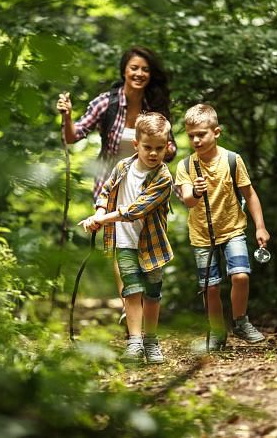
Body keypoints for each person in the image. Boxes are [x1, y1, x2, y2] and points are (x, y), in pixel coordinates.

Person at [57, 46, 176, 320]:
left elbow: (169, 147)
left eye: (145, 69)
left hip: (148, 183)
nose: (140, 73)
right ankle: (129, 304)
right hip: (112, 182)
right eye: (134, 67)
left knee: (145, 236)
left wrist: (164, 150)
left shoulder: (154, 105)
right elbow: (74, 136)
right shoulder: (105, 103)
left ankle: (143, 295)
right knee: (120, 241)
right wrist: (66, 117)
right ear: (124, 69)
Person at [78, 112, 173, 364]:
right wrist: (98, 212)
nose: (153, 153)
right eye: (148, 147)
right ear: (136, 145)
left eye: (159, 148)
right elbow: (106, 190)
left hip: (152, 245)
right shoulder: (123, 167)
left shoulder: (163, 178)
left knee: (152, 294)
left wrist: (102, 219)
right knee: (131, 291)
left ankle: (151, 341)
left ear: (167, 147)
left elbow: (135, 210)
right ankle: (134, 342)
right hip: (124, 242)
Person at [174, 104, 270, 351]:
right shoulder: (186, 166)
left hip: (233, 229)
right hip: (201, 233)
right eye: (191, 135)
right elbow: (187, 200)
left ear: (216, 132)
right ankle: (217, 331)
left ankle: (240, 321)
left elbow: (249, 195)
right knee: (210, 287)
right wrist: (195, 191)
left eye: (201, 134)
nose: (196, 140)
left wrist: (260, 226)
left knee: (240, 276)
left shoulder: (231, 160)